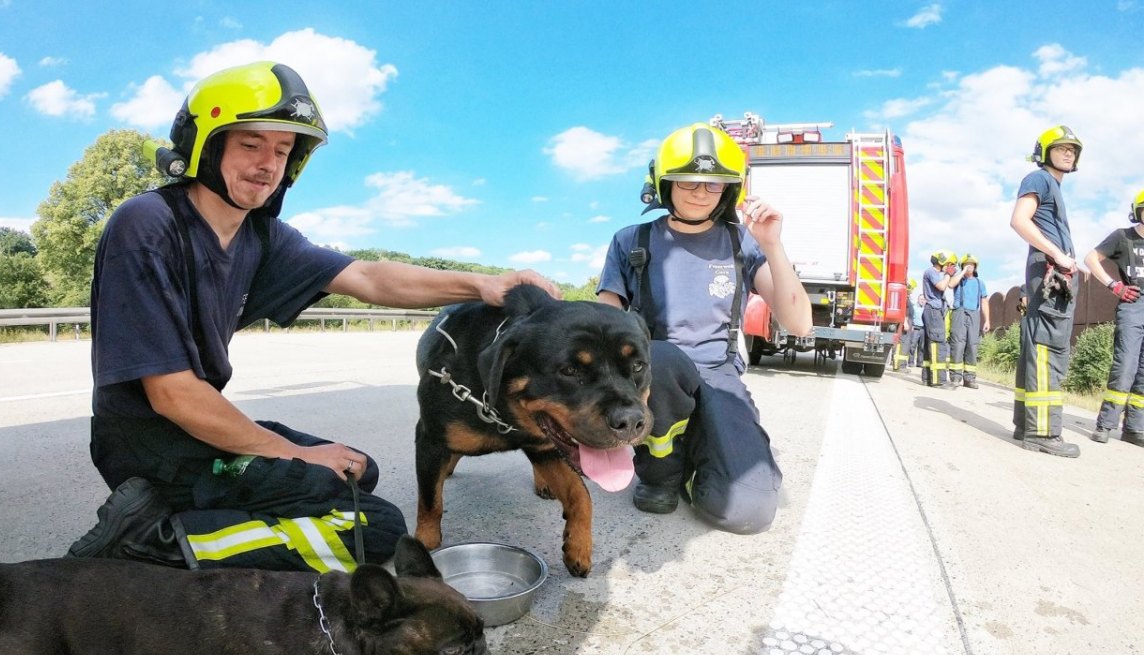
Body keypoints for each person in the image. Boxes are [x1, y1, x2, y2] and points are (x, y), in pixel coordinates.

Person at [66, 62, 559, 571]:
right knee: (376, 528)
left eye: (283, 151)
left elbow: (368, 278)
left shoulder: (259, 236)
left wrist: (481, 284)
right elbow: (171, 393)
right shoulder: (148, 224)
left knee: (355, 471)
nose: (268, 164)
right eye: (251, 145)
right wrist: (293, 454)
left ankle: (192, 509)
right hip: (148, 441)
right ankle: (151, 538)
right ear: (205, 146)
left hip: (193, 429)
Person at [596, 122, 811, 534]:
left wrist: (771, 245)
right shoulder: (630, 240)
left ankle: (698, 460)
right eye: (688, 180)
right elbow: (605, 323)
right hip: (655, 373)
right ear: (664, 183)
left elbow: (798, 321)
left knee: (748, 511)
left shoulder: (740, 242)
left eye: (713, 184)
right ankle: (661, 473)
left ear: (728, 190)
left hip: (718, 375)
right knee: (661, 354)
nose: (699, 191)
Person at [1009, 125, 1084, 457]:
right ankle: (1042, 432)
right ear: (1044, 151)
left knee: (1035, 345)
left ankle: (1025, 424)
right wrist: (1057, 254)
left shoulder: (1053, 186)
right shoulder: (1039, 178)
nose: (1068, 152)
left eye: (1073, 149)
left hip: (1048, 273)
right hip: (1051, 272)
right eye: (1061, 147)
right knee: (1047, 347)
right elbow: (1019, 220)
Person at [1082, 188, 1144, 446]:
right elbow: (1090, 258)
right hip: (1133, 305)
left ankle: (1134, 428)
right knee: (1125, 366)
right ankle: (1106, 424)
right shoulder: (1123, 237)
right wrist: (1114, 285)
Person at [946, 253, 989, 388]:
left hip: (973, 315)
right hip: (959, 312)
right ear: (962, 266)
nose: (969, 266)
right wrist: (963, 271)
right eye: (966, 264)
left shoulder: (980, 283)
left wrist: (987, 320)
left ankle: (970, 379)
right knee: (958, 344)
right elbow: (951, 285)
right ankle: (955, 377)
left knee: (972, 345)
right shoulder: (958, 279)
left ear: (976, 267)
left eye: (971, 265)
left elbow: (984, 302)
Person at [921, 250, 957, 388]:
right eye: (950, 264)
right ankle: (939, 381)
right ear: (943, 262)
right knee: (938, 344)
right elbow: (942, 286)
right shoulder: (931, 272)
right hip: (934, 311)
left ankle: (927, 378)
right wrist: (948, 274)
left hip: (933, 311)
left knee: (930, 345)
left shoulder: (935, 273)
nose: (951, 267)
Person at [905, 292, 926, 369]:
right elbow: (911, 317)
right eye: (921, 299)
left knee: (922, 347)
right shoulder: (914, 307)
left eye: (923, 299)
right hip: (915, 328)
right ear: (918, 299)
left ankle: (919, 363)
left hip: (923, 329)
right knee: (912, 346)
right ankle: (911, 362)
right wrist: (912, 326)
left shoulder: (926, 308)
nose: (922, 301)